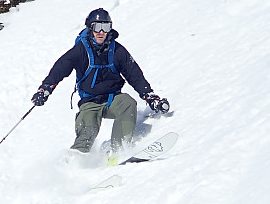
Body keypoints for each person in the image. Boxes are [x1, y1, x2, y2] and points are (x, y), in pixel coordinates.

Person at [31, 8, 169, 155]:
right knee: (87, 133)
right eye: (97, 27)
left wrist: (149, 96)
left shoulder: (117, 51)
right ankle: (73, 165)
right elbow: (60, 69)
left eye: (106, 27)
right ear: (90, 28)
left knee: (128, 103)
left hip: (113, 99)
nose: (101, 32)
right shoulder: (80, 51)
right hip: (90, 103)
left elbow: (134, 75)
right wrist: (45, 89)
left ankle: (118, 151)